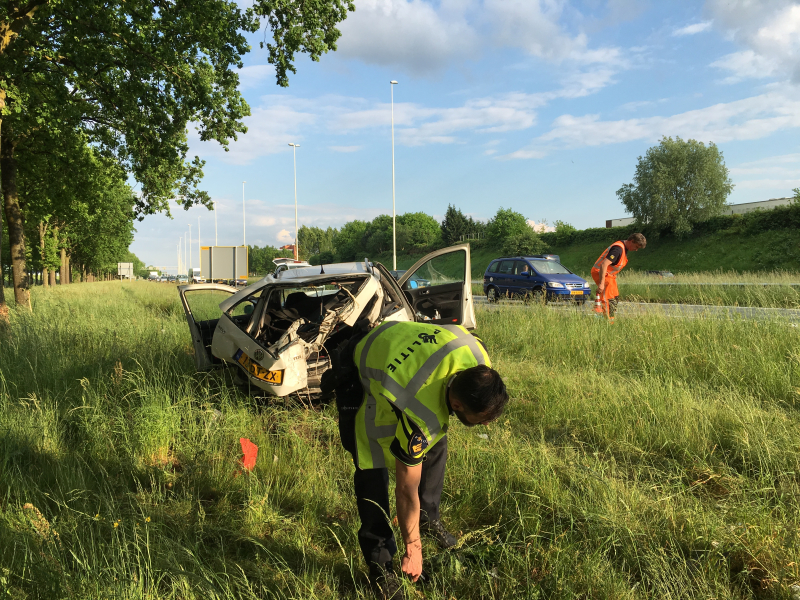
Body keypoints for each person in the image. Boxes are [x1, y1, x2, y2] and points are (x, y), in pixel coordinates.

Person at [324, 320, 509, 599]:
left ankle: (426, 518)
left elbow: (450, 329)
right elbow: (406, 488)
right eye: (481, 419)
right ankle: (382, 564)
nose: (485, 425)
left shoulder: (477, 357)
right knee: (370, 466)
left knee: (436, 440)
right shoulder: (422, 415)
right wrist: (414, 548)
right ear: (458, 403)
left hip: (394, 339)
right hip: (360, 371)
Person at [591, 233, 646, 320]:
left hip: (610, 275)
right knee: (608, 299)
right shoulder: (618, 249)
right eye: (636, 247)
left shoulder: (623, 248)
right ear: (632, 241)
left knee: (615, 298)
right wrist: (601, 283)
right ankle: (608, 321)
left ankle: (609, 318)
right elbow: (604, 264)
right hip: (601, 273)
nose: (636, 250)